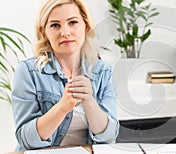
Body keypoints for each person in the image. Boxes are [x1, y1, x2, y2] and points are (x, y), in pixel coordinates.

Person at [11, 0, 119, 151]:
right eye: (55, 25)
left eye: (73, 22)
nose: (65, 32)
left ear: (85, 26)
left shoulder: (103, 72)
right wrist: (62, 107)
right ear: (44, 32)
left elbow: (109, 136)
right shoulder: (28, 72)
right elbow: (27, 139)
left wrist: (89, 101)